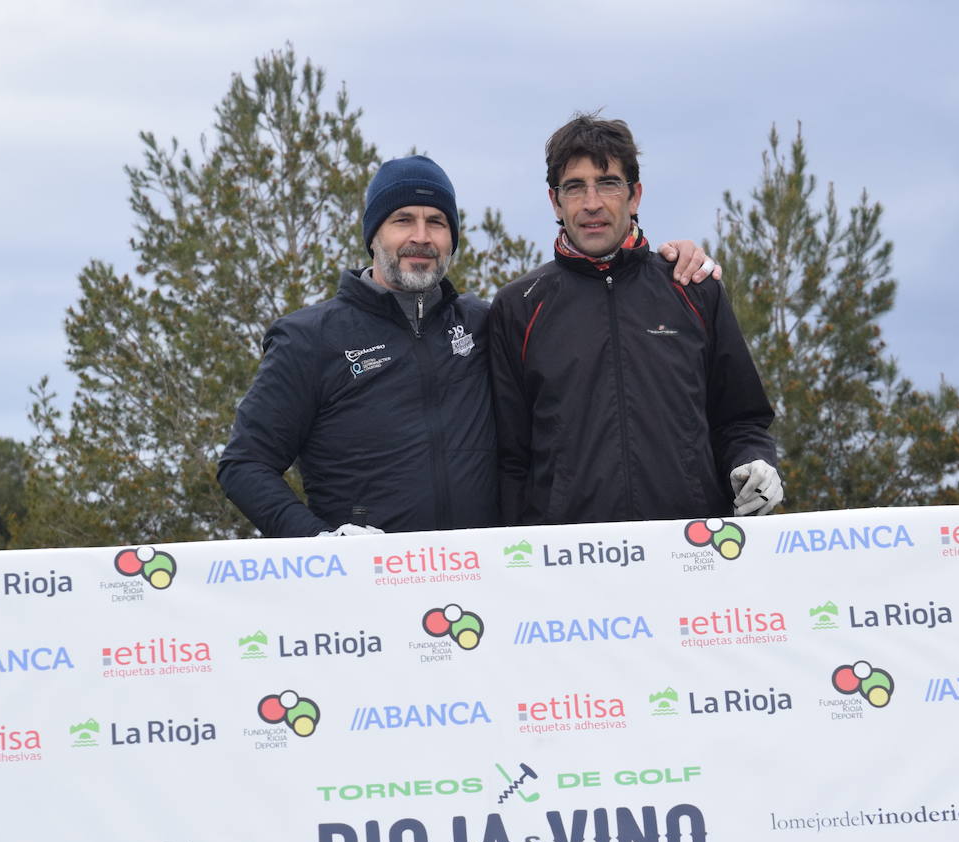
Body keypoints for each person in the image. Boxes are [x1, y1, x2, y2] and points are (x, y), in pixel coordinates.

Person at [217, 154, 718, 537]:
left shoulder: (487, 322)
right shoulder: (310, 338)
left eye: (436, 222)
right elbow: (244, 464)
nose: (421, 237)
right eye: (402, 221)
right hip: (365, 595)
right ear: (373, 235)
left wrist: (667, 262)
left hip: (486, 583)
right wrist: (319, 543)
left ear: (452, 237)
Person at [488, 115, 783, 526]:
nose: (592, 203)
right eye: (574, 187)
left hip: (691, 551)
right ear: (555, 201)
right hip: (568, 564)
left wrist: (756, 461)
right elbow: (510, 458)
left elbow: (741, 418)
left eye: (608, 183)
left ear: (635, 195)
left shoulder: (693, 287)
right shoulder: (517, 306)